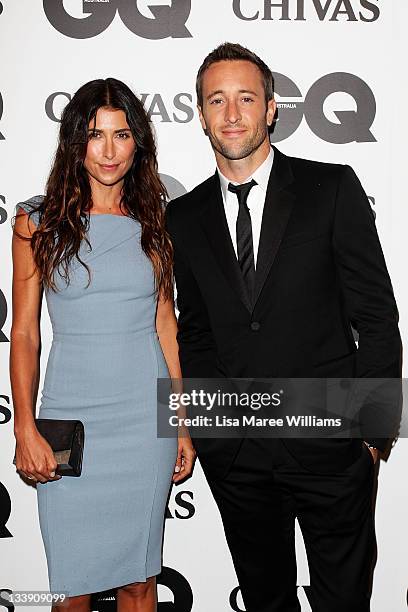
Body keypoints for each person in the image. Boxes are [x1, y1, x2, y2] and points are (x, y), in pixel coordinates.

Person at [165, 44, 402, 611]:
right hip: (238, 455)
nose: (231, 114)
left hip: (333, 446)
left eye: (246, 98)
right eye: (216, 100)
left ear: (271, 108)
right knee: (266, 602)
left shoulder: (332, 188)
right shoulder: (184, 216)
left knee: (343, 600)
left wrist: (371, 437)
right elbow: (192, 331)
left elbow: (376, 316)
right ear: (200, 114)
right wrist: (209, 433)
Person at [11, 77, 195, 612]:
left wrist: (179, 422)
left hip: (143, 424)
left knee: (140, 584)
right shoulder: (36, 223)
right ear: (76, 142)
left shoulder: (153, 222)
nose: (109, 151)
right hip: (70, 423)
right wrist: (24, 424)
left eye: (122, 135)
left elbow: (166, 328)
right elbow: (24, 333)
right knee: (73, 588)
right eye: (96, 136)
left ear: (138, 142)